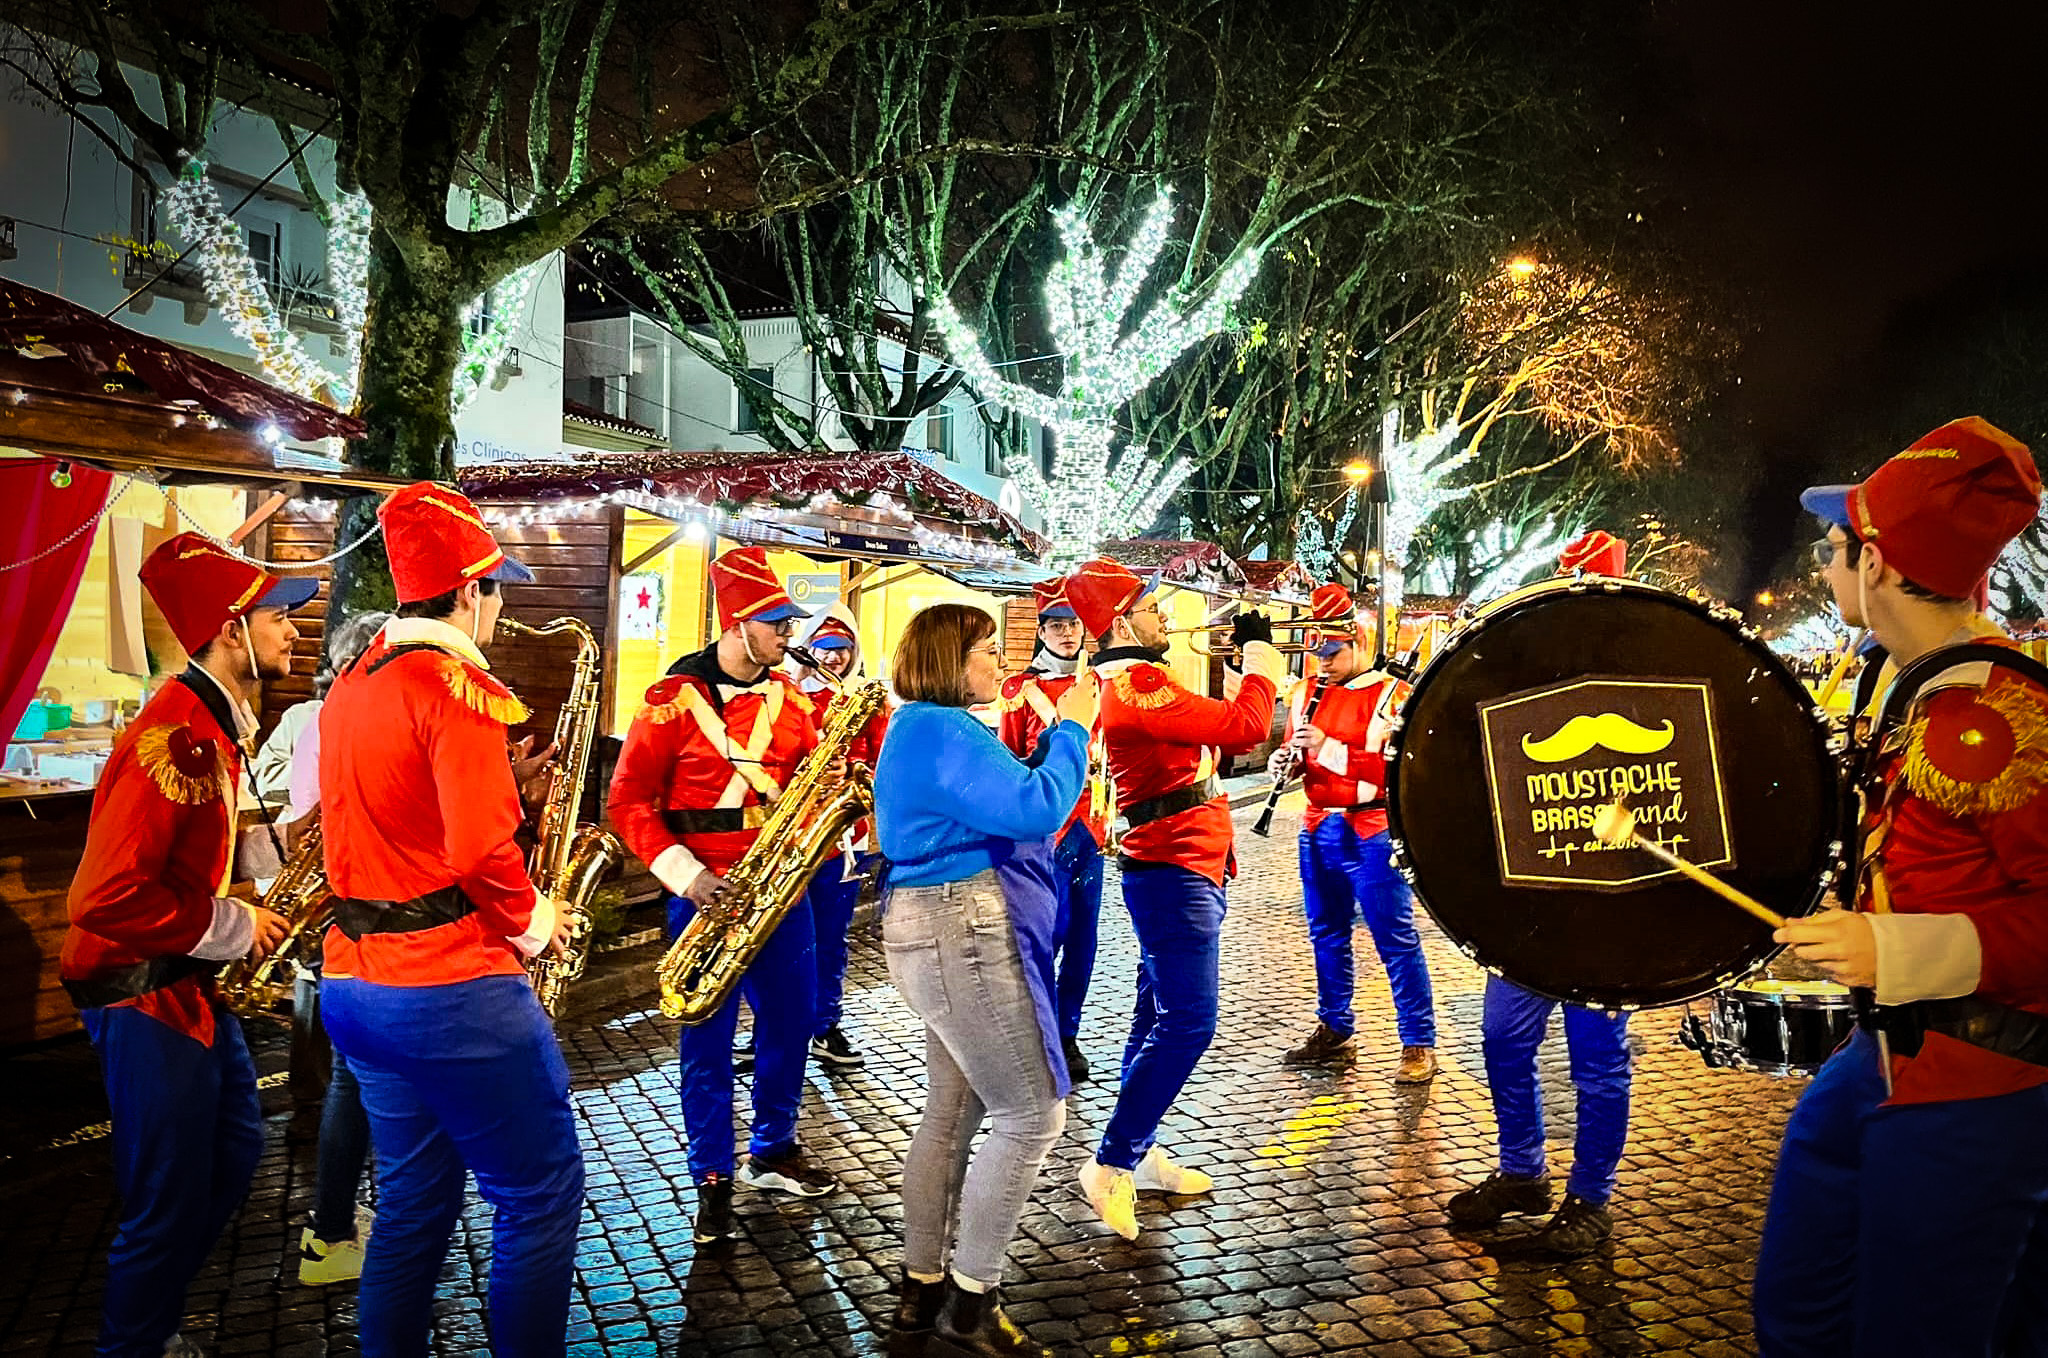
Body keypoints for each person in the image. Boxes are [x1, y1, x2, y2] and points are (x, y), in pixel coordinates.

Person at [1754, 417, 2048, 1356]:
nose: (1824, 563)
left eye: (1834, 546)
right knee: (1800, 1312)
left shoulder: (1995, 715)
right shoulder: (1918, 684)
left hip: (1978, 1083)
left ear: (1875, 564)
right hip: (1881, 1055)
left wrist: (1898, 948)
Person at [317, 481, 582, 1358]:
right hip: (449, 986)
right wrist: (539, 921)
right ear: (470, 590)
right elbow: (476, 855)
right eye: (498, 587)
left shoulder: (356, 680)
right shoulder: (459, 684)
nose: (503, 609)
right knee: (539, 1195)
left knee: (411, 1202)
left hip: (356, 980)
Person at [61, 531, 311, 1358]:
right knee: (165, 1197)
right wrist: (237, 926)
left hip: (190, 988)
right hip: (144, 992)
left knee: (235, 1153)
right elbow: (100, 898)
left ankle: (152, 1320)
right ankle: (132, 1344)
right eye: (279, 617)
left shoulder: (217, 723)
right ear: (232, 628)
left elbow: (226, 846)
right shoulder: (176, 735)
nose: (293, 632)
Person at [875, 602, 1099, 1358]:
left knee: (955, 1108)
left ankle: (922, 1289)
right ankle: (972, 1299)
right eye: (988, 651)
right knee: (1033, 1114)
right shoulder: (938, 727)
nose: (1001, 662)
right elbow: (1034, 806)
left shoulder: (925, 728)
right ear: (948, 658)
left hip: (934, 924)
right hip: (958, 925)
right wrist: (1074, 727)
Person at [607, 545, 839, 1246]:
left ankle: (774, 1146)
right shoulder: (667, 703)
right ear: (737, 623)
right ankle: (711, 1169)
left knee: (792, 1019)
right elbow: (628, 802)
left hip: (779, 887)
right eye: (775, 623)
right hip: (703, 890)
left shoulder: (793, 700)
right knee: (705, 1035)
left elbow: (817, 783)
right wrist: (688, 876)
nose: (787, 636)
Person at [1062, 557, 1284, 1239]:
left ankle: (1140, 1149)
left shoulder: (1138, 680)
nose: (1166, 618)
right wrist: (1259, 656)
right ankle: (1112, 1160)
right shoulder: (1136, 683)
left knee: (1152, 1014)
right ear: (1123, 620)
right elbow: (1246, 725)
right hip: (1173, 864)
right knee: (1189, 1021)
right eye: (1152, 608)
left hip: (1187, 859)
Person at [1446, 530, 1636, 1259]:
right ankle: (1524, 1171)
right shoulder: (1525, 672)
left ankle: (1592, 1196)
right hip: (1529, 905)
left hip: (1607, 912)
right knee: (1502, 1039)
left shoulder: (1646, 673)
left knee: (1598, 1060)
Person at [1272, 582, 1437, 1081]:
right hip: (1318, 822)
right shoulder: (1304, 693)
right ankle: (1335, 1027)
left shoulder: (1394, 694)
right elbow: (1304, 760)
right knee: (1326, 931)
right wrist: (1291, 761)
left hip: (1370, 827)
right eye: (1315, 650)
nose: (1322, 660)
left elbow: (1399, 769)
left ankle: (1417, 1040)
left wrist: (1327, 748)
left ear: (1358, 642)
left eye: (1332, 650)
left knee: (1394, 936)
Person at [996, 578, 1109, 1083]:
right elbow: (1009, 760)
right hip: (1049, 832)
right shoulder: (1020, 692)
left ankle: (1068, 1031)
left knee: (1083, 939)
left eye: (1073, 624)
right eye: (1056, 624)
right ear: (1040, 629)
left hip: (1096, 828)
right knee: (1045, 934)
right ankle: (1036, 1030)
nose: (1067, 633)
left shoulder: (1103, 684)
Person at [792, 604, 889, 1071]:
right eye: (825, 648)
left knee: (831, 938)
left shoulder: (865, 702)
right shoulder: (784, 697)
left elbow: (883, 762)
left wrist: (854, 774)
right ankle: (776, 1026)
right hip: (790, 841)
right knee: (779, 943)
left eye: (843, 649)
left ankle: (825, 1024)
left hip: (842, 842)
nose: (834, 659)